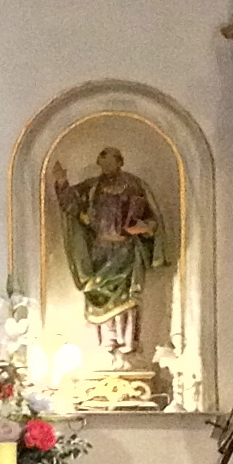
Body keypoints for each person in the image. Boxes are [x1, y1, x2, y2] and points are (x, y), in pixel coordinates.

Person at [53, 145, 167, 358]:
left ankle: (127, 343)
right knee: (98, 293)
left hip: (126, 249)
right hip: (99, 250)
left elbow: (152, 219)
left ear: (119, 162)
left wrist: (145, 227)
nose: (105, 168)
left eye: (109, 163)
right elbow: (71, 204)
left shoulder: (135, 186)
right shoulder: (92, 187)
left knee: (127, 298)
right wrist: (61, 181)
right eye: (102, 164)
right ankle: (107, 342)